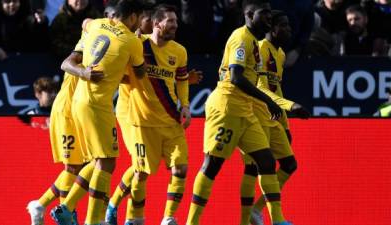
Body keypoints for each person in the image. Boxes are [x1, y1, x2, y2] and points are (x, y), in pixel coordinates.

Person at [186, 1, 292, 225]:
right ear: (250, 14)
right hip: (226, 107)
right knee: (212, 165)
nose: (269, 19)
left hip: (245, 110)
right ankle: (191, 222)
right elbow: (236, 77)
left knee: (266, 161)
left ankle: (277, 219)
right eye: (264, 14)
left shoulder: (255, 42)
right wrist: (269, 102)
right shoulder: (241, 38)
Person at [50, 0, 147, 224]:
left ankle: (67, 207)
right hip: (96, 105)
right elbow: (140, 74)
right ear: (133, 17)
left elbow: (82, 29)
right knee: (108, 162)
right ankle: (93, 219)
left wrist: (85, 72)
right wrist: (139, 44)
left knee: (98, 161)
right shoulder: (133, 41)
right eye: (140, 18)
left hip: (79, 101)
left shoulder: (97, 25)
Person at [117, 4, 191, 225]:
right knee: (141, 174)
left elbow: (182, 79)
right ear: (157, 23)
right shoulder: (138, 45)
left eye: (176, 22)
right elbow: (120, 73)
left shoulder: (179, 51)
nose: (175, 26)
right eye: (171, 21)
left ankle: (168, 218)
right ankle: (135, 218)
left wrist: (185, 105)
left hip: (170, 121)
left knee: (181, 168)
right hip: (142, 122)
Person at [237, 11, 310, 225]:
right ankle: (251, 219)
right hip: (254, 115)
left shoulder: (280, 55)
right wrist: (290, 105)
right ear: (272, 28)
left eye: (289, 25)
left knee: (289, 164)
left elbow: (274, 87)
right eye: (284, 25)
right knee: (253, 167)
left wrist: (284, 122)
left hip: (273, 117)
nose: (289, 29)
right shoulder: (259, 48)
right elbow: (258, 87)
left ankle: (256, 211)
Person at [26, 31, 104, 225]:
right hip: (67, 111)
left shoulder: (115, 45)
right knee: (77, 166)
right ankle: (67, 217)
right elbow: (86, 27)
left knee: (88, 165)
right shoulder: (90, 41)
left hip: (80, 112)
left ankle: (42, 205)